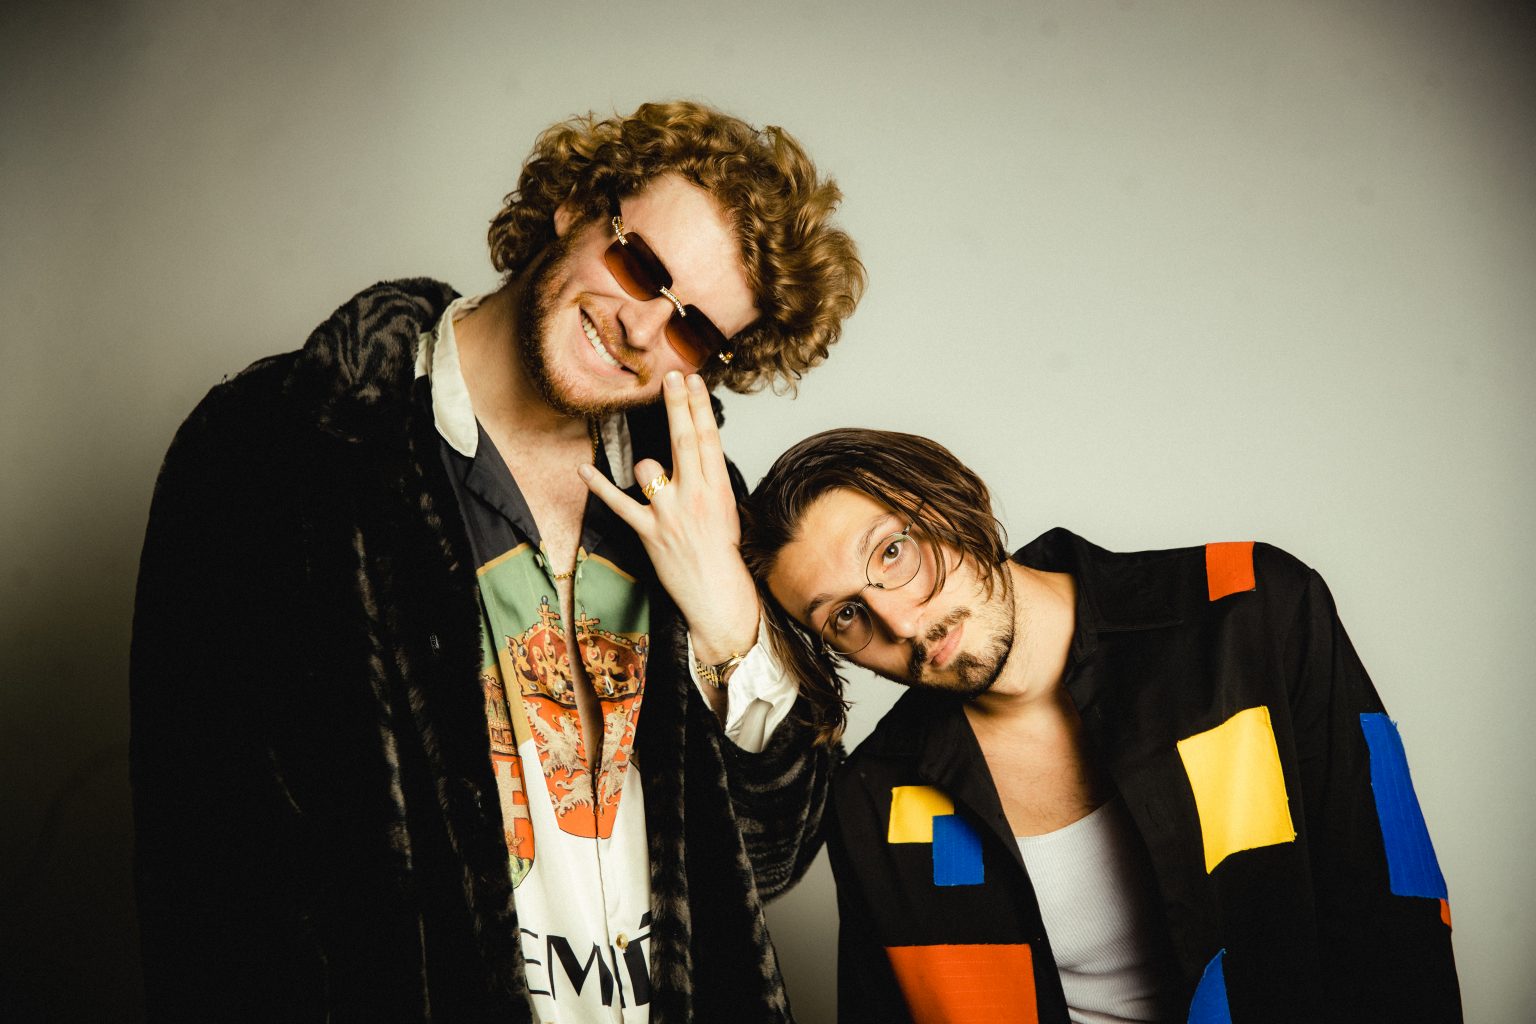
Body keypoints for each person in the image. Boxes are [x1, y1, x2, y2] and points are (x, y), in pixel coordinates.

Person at [130, 101, 863, 1023]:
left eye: (691, 331)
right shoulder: (283, 447)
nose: (642, 329)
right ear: (577, 207)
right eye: (640, 268)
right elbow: (208, 862)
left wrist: (729, 624)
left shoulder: (700, 504)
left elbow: (767, 863)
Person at [739, 428, 1461, 1024]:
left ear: (952, 498)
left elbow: (1393, 915)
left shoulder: (1251, 614)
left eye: (892, 553)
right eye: (845, 616)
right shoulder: (877, 798)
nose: (899, 622)